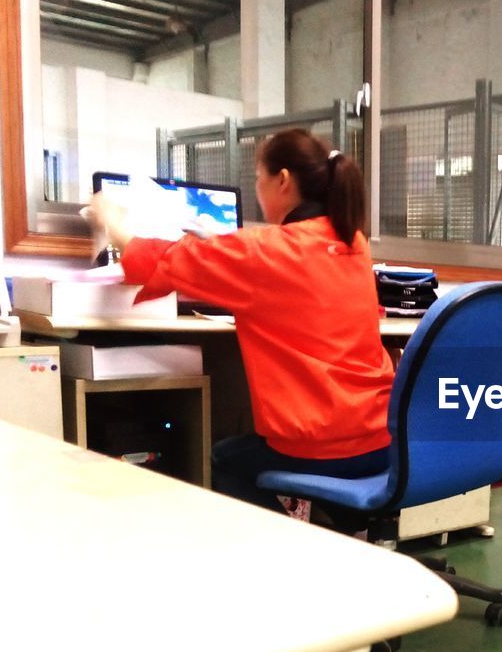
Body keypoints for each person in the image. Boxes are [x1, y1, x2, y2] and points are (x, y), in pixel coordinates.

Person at [86, 129, 393, 514]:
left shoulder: (267, 250)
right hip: (381, 437)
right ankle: (337, 534)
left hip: (319, 444)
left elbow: (166, 259)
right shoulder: (354, 243)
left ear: (282, 180)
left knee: (225, 459)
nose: (258, 188)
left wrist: (112, 222)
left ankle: (294, 546)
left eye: (258, 178)